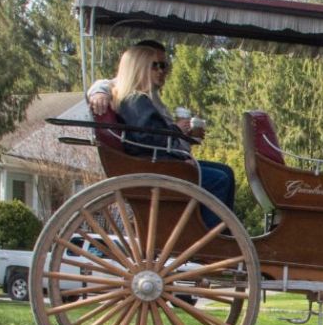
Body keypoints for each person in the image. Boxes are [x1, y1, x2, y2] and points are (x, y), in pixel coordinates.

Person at [84, 40, 237, 218]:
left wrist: (181, 134)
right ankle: (212, 235)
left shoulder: (139, 99)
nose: (161, 71)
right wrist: (177, 129)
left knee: (226, 172)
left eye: (164, 66)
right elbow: (149, 138)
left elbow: (149, 134)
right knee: (220, 179)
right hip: (155, 165)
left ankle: (221, 231)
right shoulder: (136, 100)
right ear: (139, 68)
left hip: (157, 160)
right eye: (155, 66)